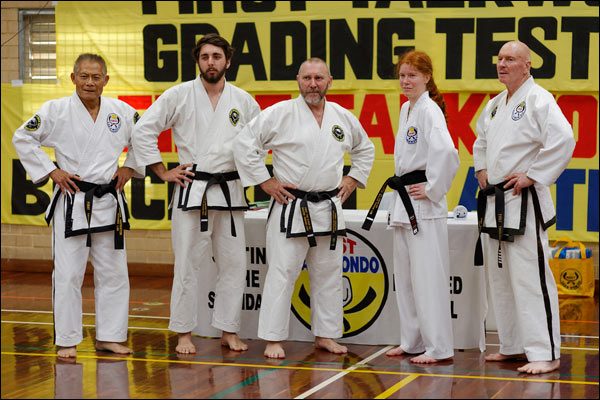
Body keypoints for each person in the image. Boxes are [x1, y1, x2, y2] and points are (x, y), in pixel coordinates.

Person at [233, 58, 375, 359]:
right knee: (282, 273)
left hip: (328, 207)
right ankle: (273, 338)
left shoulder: (342, 117)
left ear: (329, 81)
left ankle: (326, 334)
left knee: (329, 273)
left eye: (319, 78)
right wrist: (265, 181)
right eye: (308, 78)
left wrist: (352, 179)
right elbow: (244, 143)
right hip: (291, 206)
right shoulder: (280, 114)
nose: (313, 84)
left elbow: (365, 148)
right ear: (298, 80)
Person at [132, 33, 260, 354]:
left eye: (217, 56)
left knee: (233, 264)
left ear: (227, 61)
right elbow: (143, 129)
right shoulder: (178, 95)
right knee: (187, 264)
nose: (211, 62)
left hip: (229, 192)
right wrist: (162, 171)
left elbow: (258, 144)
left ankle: (229, 330)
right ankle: (184, 333)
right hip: (193, 190)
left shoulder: (244, 101)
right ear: (198, 61)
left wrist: (254, 177)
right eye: (205, 57)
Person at [12, 53, 143, 358]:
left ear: (105, 80)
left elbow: (145, 136)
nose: (89, 82)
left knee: (113, 272)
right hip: (72, 200)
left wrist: (130, 167)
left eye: (96, 77)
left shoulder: (121, 111)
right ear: (73, 78)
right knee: (68, 273)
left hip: (108, 200)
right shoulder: (56, 110)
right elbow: (23, 137)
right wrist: (51, 170)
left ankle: (110, 336)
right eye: (83, 76)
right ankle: (67, 339)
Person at [473, 40, 575, 374]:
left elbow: (563, 138)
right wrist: (482, 168)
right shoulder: (495, 105)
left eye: (511, 59)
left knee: (531, 278)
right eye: (500, 58)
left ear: (527, 65)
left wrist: (533, 175)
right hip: (497, 201)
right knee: (501, 277)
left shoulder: (539, 99)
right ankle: (513, 345)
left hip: (524, 201)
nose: (502, 64)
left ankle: (546, 352)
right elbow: (481, 141)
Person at [362, 50, 459, 364]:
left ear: (427, 77)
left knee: (428, 277)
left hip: (423, 205)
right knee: (404, 278)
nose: (405, 81)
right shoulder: (407, 108)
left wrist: (431, 189)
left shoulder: (429, 110)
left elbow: (447, 153)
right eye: (402, 75)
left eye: (412, 75)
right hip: (405, 202)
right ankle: (413, 340)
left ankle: (439, 347)